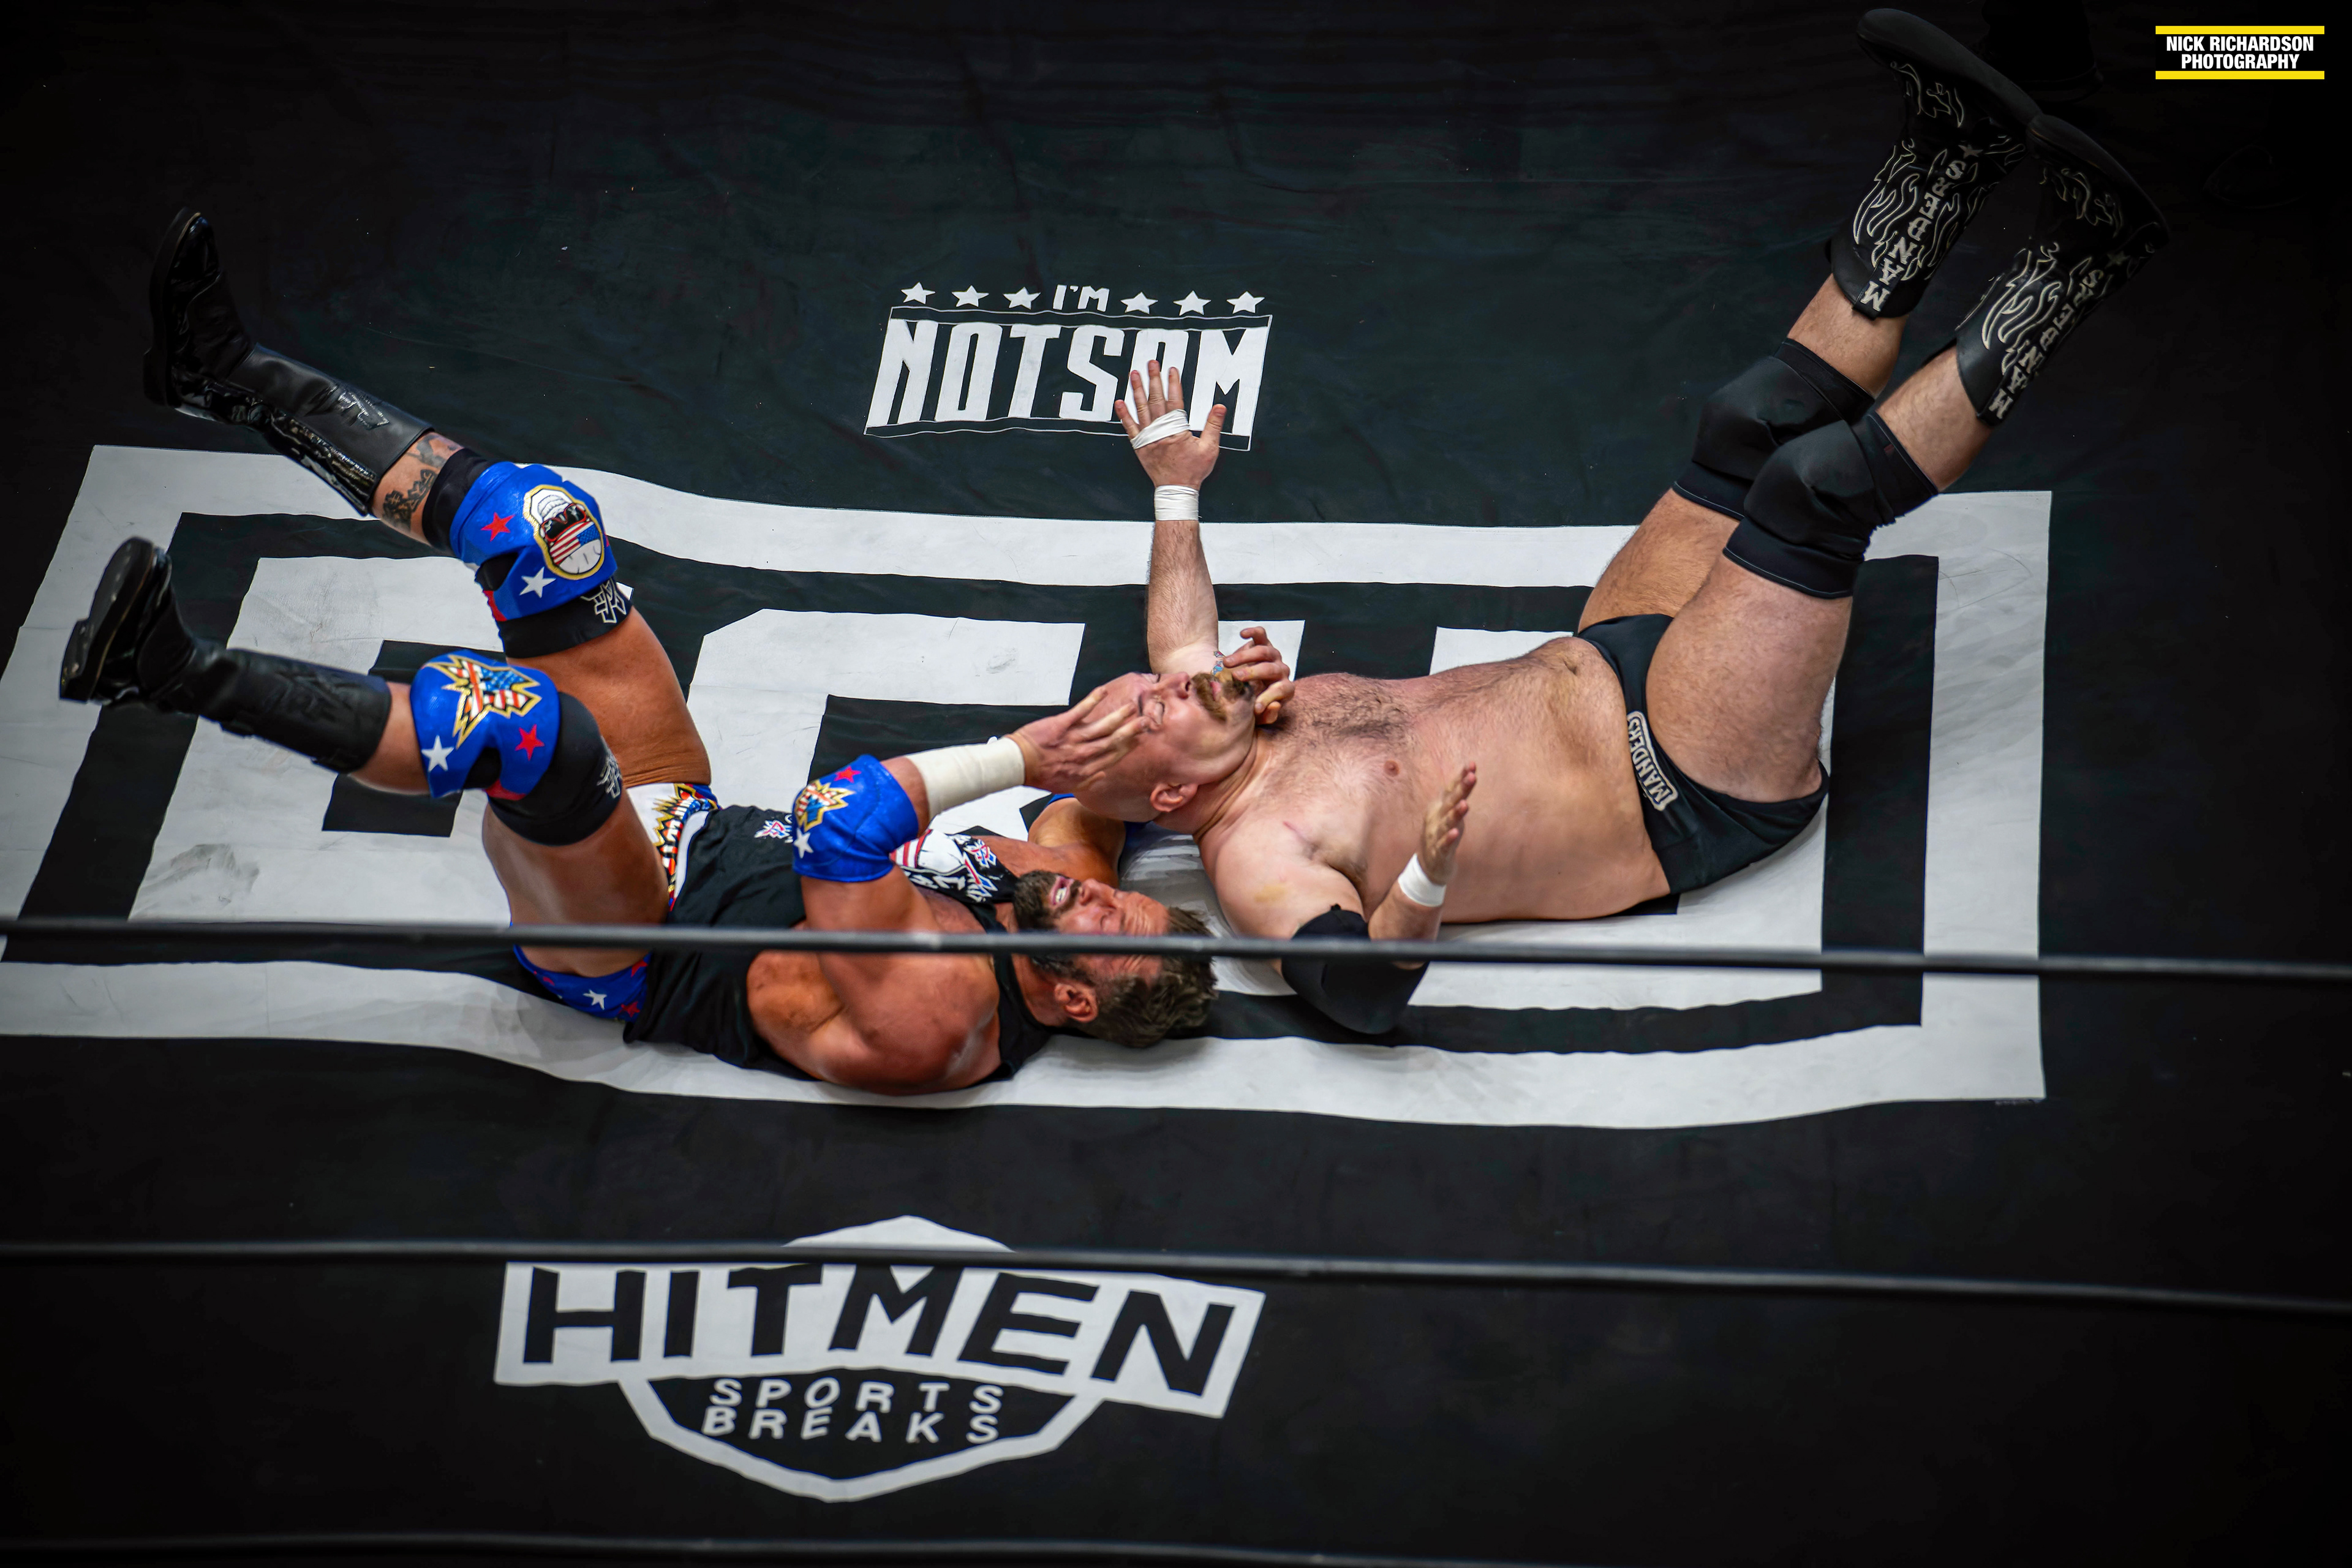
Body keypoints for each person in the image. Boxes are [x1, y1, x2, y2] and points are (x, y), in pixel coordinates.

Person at [1076, 9, 2167, 1034]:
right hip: (1679, 780)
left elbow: (1181, 634)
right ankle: (2076, 263)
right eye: (1150, 706)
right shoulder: (1256, 859)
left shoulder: (1220, 717)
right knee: (1813, 494)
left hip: (1612, 654)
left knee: (1750, 424)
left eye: (1145, 684)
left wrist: (1175, 487)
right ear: (1171, 793)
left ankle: (1951, 158)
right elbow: (1360, 998)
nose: (1164, 682)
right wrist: (1424, 878)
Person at [63, 208, 1292, 1091]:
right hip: (684, 809)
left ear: (1072, 996)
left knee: (524, 731)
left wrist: (1015, 752)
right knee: (545, 528)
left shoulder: (942, 1015)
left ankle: (166, 670)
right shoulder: (1051, 881)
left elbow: (836, 826)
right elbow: (1139, 765)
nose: (1095, 891)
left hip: (633, 935)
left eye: (1107, 920)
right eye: (1122, 891)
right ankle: (224, 375)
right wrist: (1236, 710)